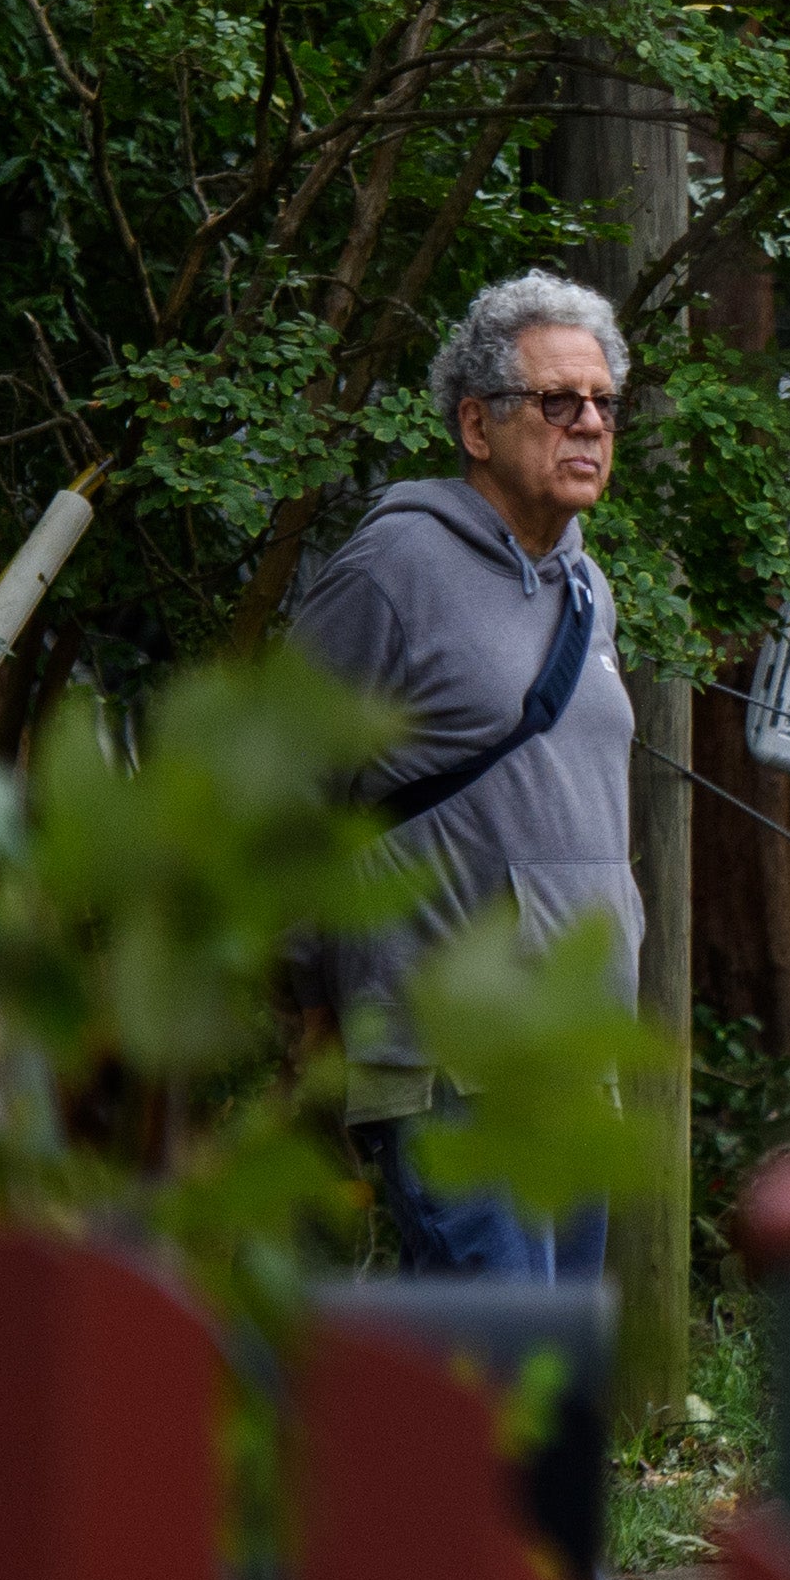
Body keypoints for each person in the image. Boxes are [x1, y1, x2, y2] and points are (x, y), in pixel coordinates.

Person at [289, 269, 648, 1282]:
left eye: (604, 402)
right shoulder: (391, 571)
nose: (590, 423)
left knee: (548, 1360)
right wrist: (309, 1002)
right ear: (477, 425)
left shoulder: (589, 587)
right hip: (445, 1052)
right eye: (557, 401)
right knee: (498, 1355)